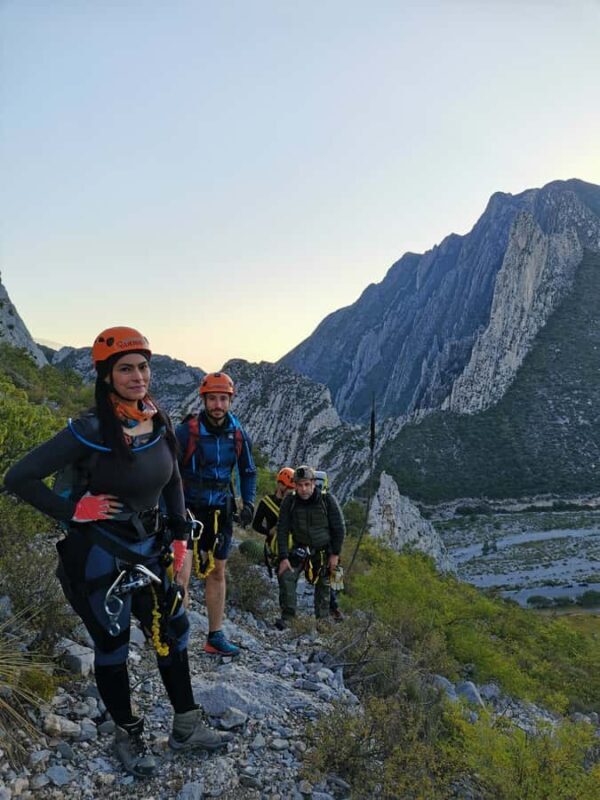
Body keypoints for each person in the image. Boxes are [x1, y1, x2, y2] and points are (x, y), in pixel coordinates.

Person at [4, 327, 229, 778]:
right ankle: (127, 732)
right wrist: (74, 510)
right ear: (106, 376)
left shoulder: (155, 418)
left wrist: (182, 539)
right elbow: (18, 477)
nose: (137, 376)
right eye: (125, 369)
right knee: (112, 645)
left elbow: (172, 482)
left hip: (151, 550)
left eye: (142, 367)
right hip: (101, 555)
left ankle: (185, 725)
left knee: (175, 631)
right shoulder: (88, 431)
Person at [176, 371, 256, 657]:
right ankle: (178, 639)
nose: (218, 405)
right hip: (187, 509)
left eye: (223, 399)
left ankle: (214, 635)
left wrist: (248, 503)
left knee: (217, 572)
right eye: (212, 399)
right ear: (204, 400)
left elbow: (248, 471)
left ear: (230, 401)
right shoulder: (187, 432)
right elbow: (168, 470)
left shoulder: (238, 433)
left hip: (219, 511)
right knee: (180, 572)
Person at [276, 465, 346, 629]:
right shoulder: (290, 501)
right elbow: (282, 529)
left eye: (307, 484)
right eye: (299, 485)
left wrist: (335, 554)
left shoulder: (327, 500)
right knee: (286, 576)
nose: (303, 489)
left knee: (330, 583)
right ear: (295, 485)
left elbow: (340, 528)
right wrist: (283, 557)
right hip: (300, 549)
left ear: (313, 483)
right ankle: (288, 617)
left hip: (325, 551)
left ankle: (324, 619)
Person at [252, 467, 295, 576]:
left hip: (291, 549)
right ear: (281, 485)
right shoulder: (266, 502)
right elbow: (256, 525)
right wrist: (268, 531)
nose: (291, 491)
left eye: (293, 488)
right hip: (272, 547)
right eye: (289, 487)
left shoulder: (294, 503)